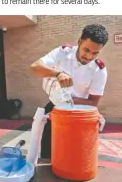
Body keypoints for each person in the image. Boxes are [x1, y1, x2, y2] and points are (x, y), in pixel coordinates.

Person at [30, 24, 109, 159]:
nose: (89, 56)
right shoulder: (63, 53)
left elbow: (93, 103)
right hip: (54, 109)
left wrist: (66, 99)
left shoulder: (99, 70)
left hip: (78, 113)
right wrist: (57, 73)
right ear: (79, 41)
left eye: (95, 53)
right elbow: (35, 67)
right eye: (86, 50)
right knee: (48, 155)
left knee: (72, 156)